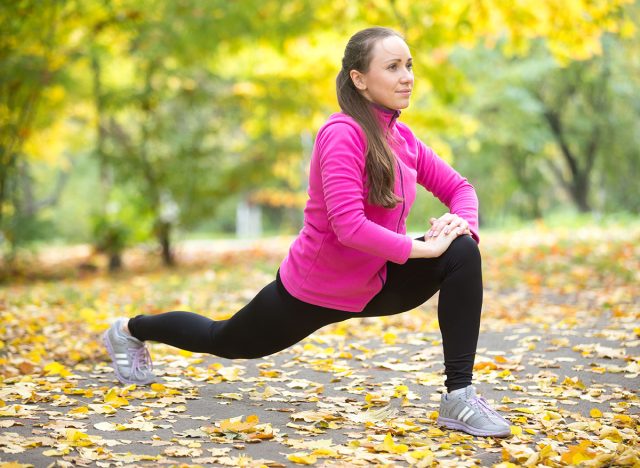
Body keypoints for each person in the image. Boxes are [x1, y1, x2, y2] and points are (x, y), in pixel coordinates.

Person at [103, 26, 511, 438]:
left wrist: (461, 224)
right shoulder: (341, 135)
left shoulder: (402, 138)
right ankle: (131, 329)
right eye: (392, 67)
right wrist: (421, 248)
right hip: (317, 289)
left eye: (409, 65)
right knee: (224, 338)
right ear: (359, 79)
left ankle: (458, 397)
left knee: (462, 251)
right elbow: (349, 227)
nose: (407, 76)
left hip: (379, 280)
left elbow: (460, 188)